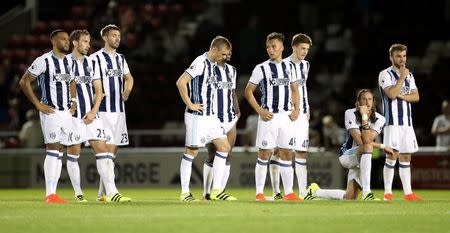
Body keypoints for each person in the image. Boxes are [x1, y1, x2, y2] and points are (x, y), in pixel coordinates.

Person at [66, 29, 131, 202]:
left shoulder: (90, 62)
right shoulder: (65, 62)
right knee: (74, 153)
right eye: (85, 42)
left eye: (89, 41)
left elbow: (99, 89)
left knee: (103, 152)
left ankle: (111, 193)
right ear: (75, 43)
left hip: (92, 115)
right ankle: (78, 194)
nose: (89, 45)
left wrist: (94, 112)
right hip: (73, 117)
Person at [176, 36, 236, 201]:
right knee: (192, 151)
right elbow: (181, 82)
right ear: (214, 49)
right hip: (197, 116)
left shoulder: (214, 65)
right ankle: (185, 193)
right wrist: (190, 103)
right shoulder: (200, 62)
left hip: (211, 117)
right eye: (222, 54)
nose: (224, 57)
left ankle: (216, 191)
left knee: (224, 147)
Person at [19, 29, 76, 203]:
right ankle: (49, 194)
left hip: (66, 112)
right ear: (53, 42)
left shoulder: (69, 61)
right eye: (63, 39)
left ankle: (53, 193)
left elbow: (72, 80)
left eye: (68, 39)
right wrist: (37, 104)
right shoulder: (43, 60)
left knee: (59, 151)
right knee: (53, 149)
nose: (67, 42)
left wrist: (73, 100)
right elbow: (24, 81)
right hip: (50, 112)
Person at [305, 89, 394, 200]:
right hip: (347, 155)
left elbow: (368, 139)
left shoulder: (380, 119)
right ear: (358, 102)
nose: (367, 102)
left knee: (349, 197)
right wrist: (382, 145)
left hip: (362, 158)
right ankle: (367, 193)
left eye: (370, 99)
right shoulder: (350, 113)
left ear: (374, 102)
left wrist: (365, 118)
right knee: (367, 146)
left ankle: (315, 192)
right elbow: (362, 142)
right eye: (364, 99)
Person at [244, 32, 301, 201]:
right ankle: (259, 193)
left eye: (274, 46)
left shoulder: (290, 67)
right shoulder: (261, 68)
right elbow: (248, 92)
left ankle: (289, 193)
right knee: (264, 154)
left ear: (282, 47)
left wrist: (296, 110)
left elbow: (295, 89)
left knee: (286, 153)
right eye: (268, 47)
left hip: (286, 117)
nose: (270, 50)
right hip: (269, 117)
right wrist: (260, 111)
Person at [90, 24, 134, 201]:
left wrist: (128, 89)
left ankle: (102, 194)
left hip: (119, 111)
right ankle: (112, 192)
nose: (117, 38)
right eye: (114, 35)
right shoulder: (95, 58)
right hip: (101, 112)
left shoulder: (121, 58)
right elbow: (88, 82)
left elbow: (129, 77)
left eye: (119, 36)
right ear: (105, 38)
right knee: (104, 153)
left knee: (111, 155)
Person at [269, 33, 313, 200]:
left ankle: (303, 192)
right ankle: (276, 191)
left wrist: (306, 108)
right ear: (294, 47)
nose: (304, 52)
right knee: (280, 151)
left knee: (302, 151)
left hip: (302, 114)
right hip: (286, 114)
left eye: (307, 49)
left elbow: (302, 89)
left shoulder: (306, 65)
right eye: (302, 48)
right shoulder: (283, 64)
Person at [379, 44, 422, 201]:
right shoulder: (385, 74)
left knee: (406, 157)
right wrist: (402, 78)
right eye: (398, 56)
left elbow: (416, 97)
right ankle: (387, 193)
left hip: (407, 123)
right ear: (391, 57)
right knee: (392, 155)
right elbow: (391, 94)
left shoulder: (410, 75)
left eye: (404, 56)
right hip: (393, 123)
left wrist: (402, 95)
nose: (402, 59)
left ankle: (408, 193)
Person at [202, 47, 240, 200]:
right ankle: (206, 193)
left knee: (227, 154)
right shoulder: (207, 68)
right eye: (225, 52)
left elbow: (233, 92)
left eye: (230, 52)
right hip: (213, 118)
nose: (228, 55)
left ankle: (220, 191)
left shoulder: (232, 70)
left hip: (230, 117)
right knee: (212, 155)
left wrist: (237, 110)